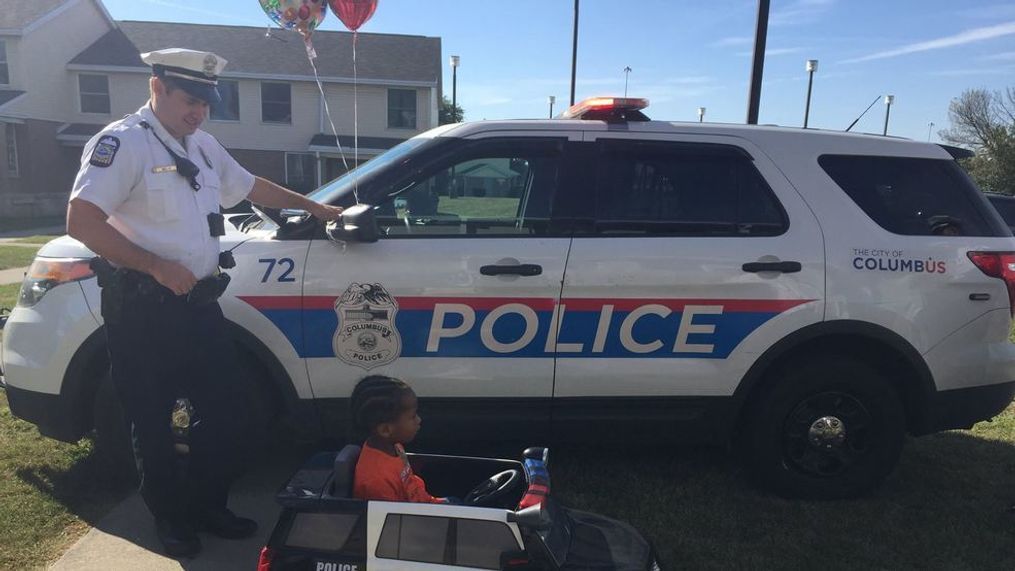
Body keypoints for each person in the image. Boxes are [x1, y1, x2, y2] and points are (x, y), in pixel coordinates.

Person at [65, 48, 344, 558]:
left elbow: (250, 185)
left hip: (198, 306)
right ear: (158, 89)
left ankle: (208, 504)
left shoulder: (204, 145)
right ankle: (172, 518)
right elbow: (82, 221)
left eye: (206, 102)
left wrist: (314, 206)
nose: (199, 111)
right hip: (142, 311)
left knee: (232, 413)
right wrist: (152, 264)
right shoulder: (121, 143)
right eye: (190, 100)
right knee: (151, 421)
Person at [350, 375, 449, 503]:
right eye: (412, 416)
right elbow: (394, 520)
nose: (419, 420)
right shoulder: (377, 481)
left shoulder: (394, 446)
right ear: (385, 430)